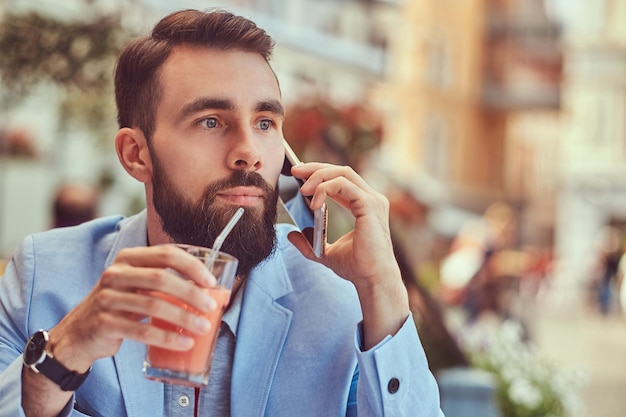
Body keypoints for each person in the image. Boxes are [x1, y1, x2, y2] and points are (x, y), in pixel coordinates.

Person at [0, 9, 443, 417]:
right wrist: (61, 358)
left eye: (265, 123)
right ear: (136, 154)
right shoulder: (44, 278)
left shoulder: (340, 305)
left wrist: (383, 286)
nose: (249, 154)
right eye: (211, 121)